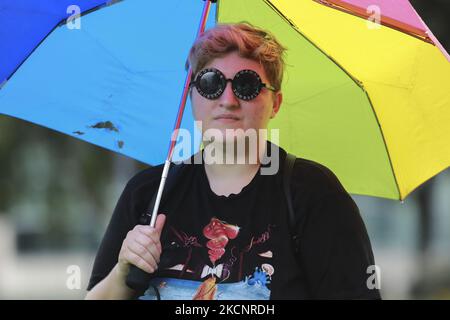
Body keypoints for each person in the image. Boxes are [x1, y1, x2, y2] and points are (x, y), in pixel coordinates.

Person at [85, 22, 381, 300]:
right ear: (191, 98)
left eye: (247, 84)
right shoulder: (148, 193)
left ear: (275, 103)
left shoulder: (313, 194)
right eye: (211, 82)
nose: (228, 99)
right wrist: (124, 268)